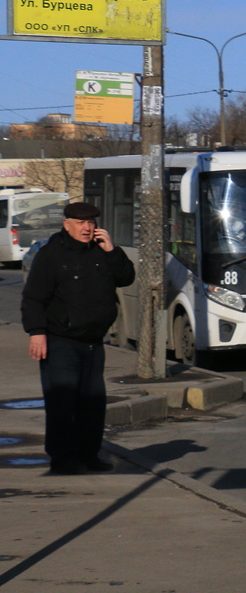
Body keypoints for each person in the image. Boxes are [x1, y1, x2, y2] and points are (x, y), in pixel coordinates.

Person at [21, 202, 136, 475]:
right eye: (82, 223)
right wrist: (37, 333)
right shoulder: (51, 255)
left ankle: (89, 455)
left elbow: (127, 277)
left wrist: (112, 250)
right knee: (63, 404)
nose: (87, 228)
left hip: (94, 343)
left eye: (92, 223)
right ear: (67, 224)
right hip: (61, 342)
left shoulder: (102, 252)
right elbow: (34, 298)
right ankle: (63, 459)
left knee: (93, 405)